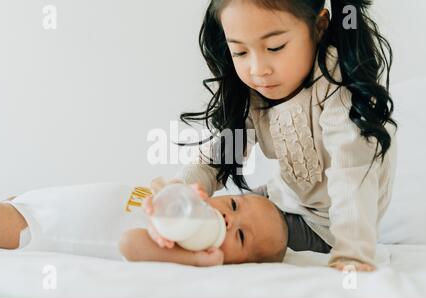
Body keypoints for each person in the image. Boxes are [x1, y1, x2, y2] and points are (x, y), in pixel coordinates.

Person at [154, 0, 398, 272]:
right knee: (199, 214)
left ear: (319, 27)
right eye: (239, 52)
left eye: (275, 48)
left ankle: (187, 255)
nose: (258, 69)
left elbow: (350, 173)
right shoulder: (255, 92)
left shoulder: (339, 86)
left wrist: (352, 252)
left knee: (228, 238)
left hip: (326, 226)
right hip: (279, 198)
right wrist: (181, 188)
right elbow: (219, 156)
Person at [0, 181, 288, 267]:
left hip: (39, 229)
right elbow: (154, 184)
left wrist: (192, 257)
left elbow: (129, 243)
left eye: (241, 236)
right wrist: (171, 189)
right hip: (45, 201)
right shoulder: (184, 209)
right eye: (233, 205)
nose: (227, 218)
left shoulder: (181, 243)